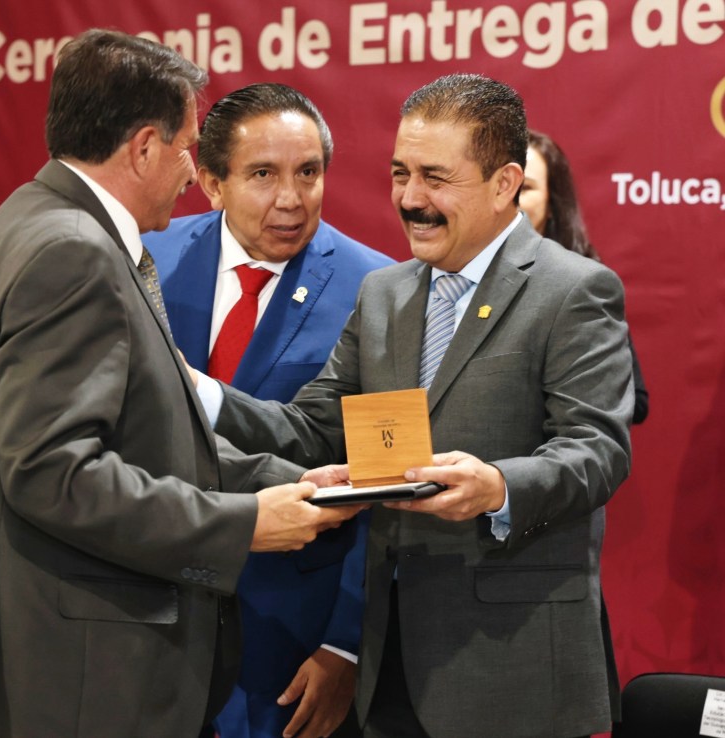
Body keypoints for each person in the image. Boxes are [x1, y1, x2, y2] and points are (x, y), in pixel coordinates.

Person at [0, 30, 359, 738]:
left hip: (38, 647)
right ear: (144, 147)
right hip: (68, 667)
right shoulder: (74, 250)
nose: (190, 172)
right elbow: (52, 473)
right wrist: (244, 523)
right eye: (187, 148)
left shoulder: (24, 218)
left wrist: (283, 480)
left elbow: (139, 431)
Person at [196, 74, 634, 737]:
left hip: (510, 665)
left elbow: (597, 449)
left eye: (435, 178)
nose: (410, 198)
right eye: (400, 173)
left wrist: (497, 487)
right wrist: (194, 391)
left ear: (503, 183)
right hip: (388, 664)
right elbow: (312, 427)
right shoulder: (384, 294)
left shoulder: (573, 290)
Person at [143, 83, 394, 738]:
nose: (291, 198)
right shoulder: (146, 261)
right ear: (211, 182)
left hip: (291, 632)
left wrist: (346, 644)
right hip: (154, 616)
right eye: (263, 175)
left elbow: (388, 479)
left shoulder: (381, 290)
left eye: (308, 172)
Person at [520, 128, 649, 424]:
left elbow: (634, 399)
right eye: (502, 184)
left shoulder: (584, 283)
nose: (511, 198)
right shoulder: (458, 273)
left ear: (552, 202)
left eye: (525, 187)